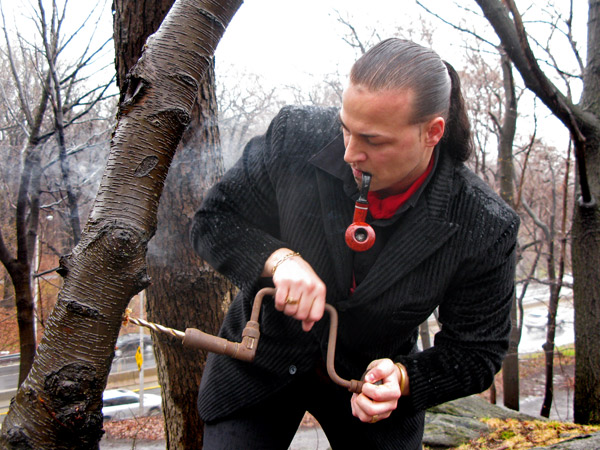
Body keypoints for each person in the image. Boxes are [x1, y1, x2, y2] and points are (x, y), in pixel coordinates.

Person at [191, 38, 519, 449]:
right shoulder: (294, 136)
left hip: (370, 387)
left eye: (373, 141)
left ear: (432, 132)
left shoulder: (484, 223)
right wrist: (280, 260)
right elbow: (215, 220)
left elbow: (477, 351)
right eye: (345, 128)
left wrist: (403, 379)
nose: (349, 153)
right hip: (259, 365)